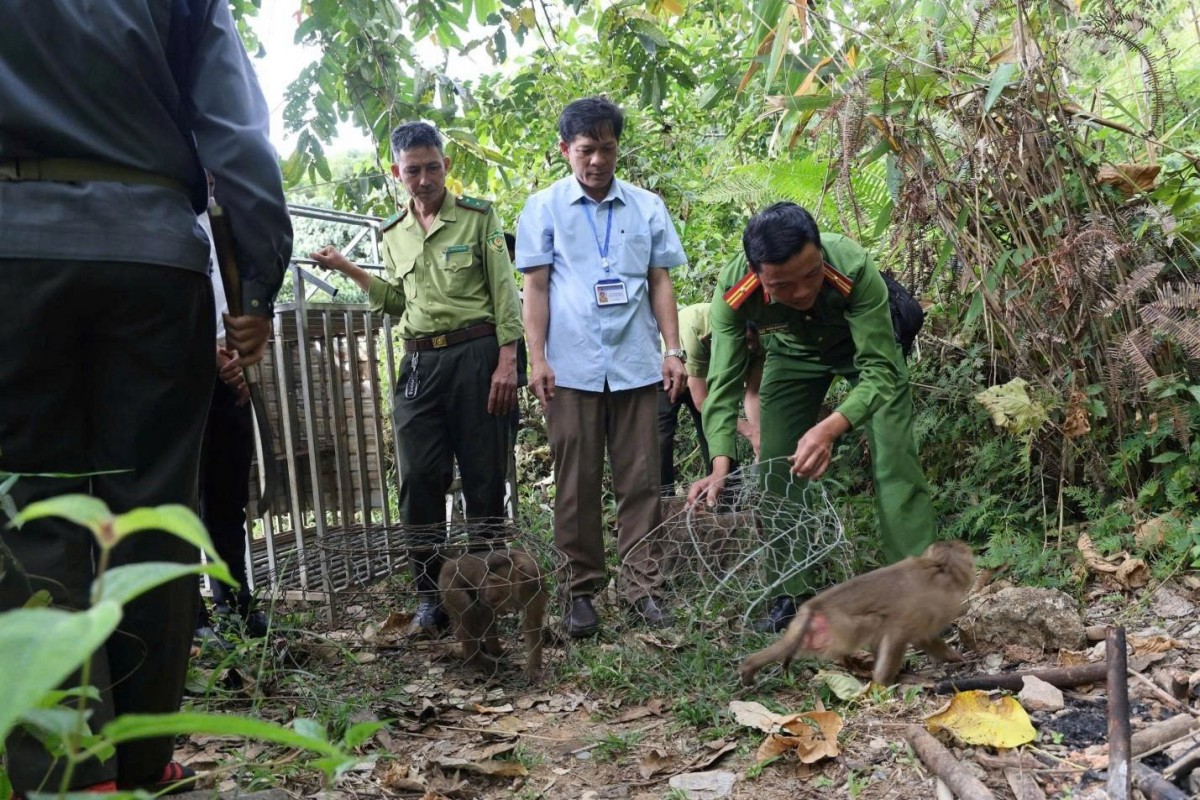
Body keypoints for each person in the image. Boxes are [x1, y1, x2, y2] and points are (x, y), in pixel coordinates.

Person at [0, 0, 291, 792]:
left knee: (32, 511)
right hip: (151, 252)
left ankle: (67, 768)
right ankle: (143, 761)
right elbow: (234, 127)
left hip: (14, 250)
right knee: (153, 516)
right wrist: (256, 280)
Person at [310, 121, 523, 637]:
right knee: (419, 478)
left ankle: (485, 594)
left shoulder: (478, 218)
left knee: (483, 476)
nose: (424, 179)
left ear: (446, 166)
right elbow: (398, 303)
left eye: (432, 167)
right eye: (413, 170)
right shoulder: (391, 234)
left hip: (477, 357)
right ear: (395, 173)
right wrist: (349, 270)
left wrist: (508, 360)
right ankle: (431, 596)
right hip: (420, 364)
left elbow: (504, 291)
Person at [689, 202, 934, 633]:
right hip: (793, 356)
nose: (802, 292)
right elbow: (723, 385)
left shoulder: (852, 266)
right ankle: (790, 593)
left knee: (894, 463)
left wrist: (830, 427)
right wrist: (720, 463)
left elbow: (880, 371)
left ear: (820, 252)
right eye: (783, 285)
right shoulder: (734, 292)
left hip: (866, 358)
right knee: (776, 469)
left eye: (810, 275)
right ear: (757, 273)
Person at [515, 96, 688, 637]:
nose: (597, 161)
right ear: (565, 149)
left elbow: (660, 281)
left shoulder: (646, 207)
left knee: (642, 481)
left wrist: (673, 349)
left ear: (618, 148)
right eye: (586, 150)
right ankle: (581, 590)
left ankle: (642, 587)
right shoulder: (542, 209)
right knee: (576, 484)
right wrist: (537, 359)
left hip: (636, 364)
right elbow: (535, 288)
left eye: (607, 149)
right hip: (571, 370)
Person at [194, 202, 269, 648]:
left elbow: (245, 300)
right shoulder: (155, 207)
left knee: (227, 496)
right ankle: (188, 613)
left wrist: (238, 358)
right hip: (171, 372)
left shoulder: (226, 223)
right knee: (176, 498)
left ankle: (235, 603)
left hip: (231, 372)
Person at [659, 302, 763, 496]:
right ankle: (663, 505)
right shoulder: (696, 329)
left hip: (708, 373)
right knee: (661, 438)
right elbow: (701, 401)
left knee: (717, 434)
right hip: (672, 368)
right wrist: (748, 431)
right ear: (734, 332)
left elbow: (753, 393)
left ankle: (728, 502)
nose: (750, 347)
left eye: (754, 343)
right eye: (747, 341)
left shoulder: (756, 346)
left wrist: (757, 433)